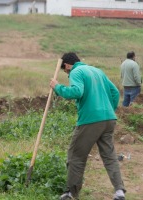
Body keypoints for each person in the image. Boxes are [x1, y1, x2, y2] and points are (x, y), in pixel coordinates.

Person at [49, 52, 126, 200]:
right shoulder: (97, 71)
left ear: (66, 65)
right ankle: (119, 191)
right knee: (109, 156)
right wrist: (109, 110)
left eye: (65, 71)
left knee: (75, 156)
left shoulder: (76, 72)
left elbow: (77, 91)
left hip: (90, 120)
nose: (66, 74)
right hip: (109, 119)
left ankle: (71, 193)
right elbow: (115, 92)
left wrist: (57, 87)